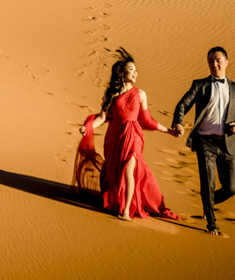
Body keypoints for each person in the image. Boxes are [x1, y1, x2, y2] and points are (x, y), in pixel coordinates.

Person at [74, 48, 180, 221]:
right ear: (122, 71)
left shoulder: (140, 94)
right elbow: (102, 117)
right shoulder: (110, 93)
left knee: (129, 169)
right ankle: (118, 202)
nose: (135, 73)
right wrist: (88, 128)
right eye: (132, 69)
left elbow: (147, 121)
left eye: (136, 70)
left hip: (133, 136)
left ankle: (126, 211)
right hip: (114, 137)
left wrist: (169, 131)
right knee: (115, 171)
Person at [171, 46, 235, 236]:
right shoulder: (200, 85)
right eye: (211, 60)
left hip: (227, 143)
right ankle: (212, 224)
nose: (214, 64)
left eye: (218, 60)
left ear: (226, 62)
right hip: (206, 142)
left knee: (231, 188)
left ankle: (209, 203)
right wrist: (178, 122)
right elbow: (183, 104)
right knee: (208, 183)